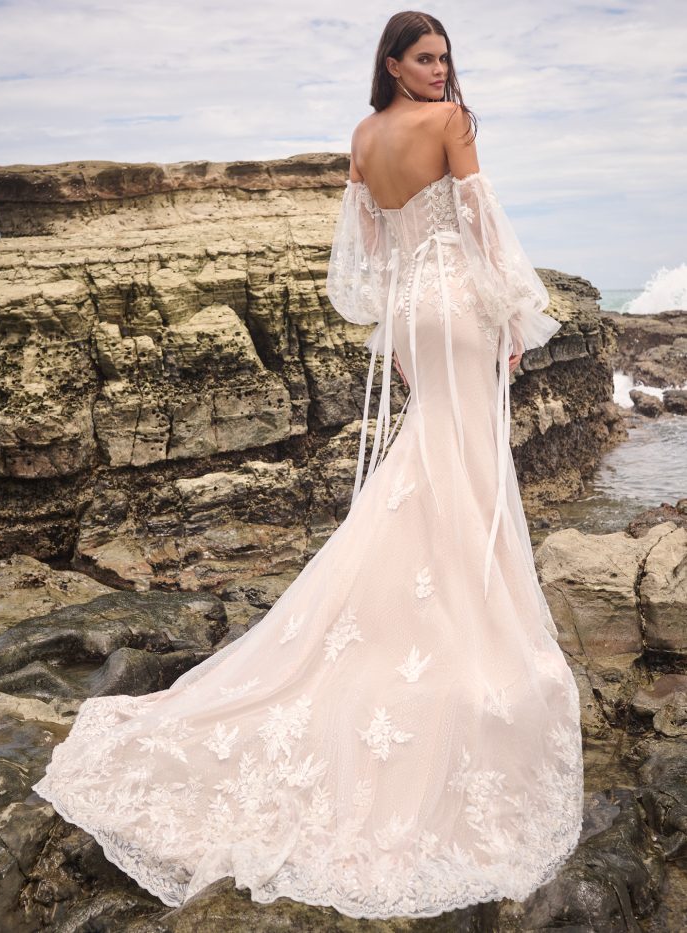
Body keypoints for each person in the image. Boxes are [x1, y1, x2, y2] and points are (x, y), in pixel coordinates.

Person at [32, 10, 584, 921]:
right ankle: (466, 627)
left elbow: (366, 258)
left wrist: (407, 319)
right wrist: (516, 315)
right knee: (464, 457)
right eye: (426, 57)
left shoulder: (364, 138)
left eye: (446, 58)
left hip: (411, 315)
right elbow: (487, 223)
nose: (441, 72)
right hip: (458, 307)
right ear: (395, 63)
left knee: (431, 451)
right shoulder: (450, 124)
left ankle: (413, 605)